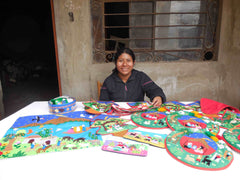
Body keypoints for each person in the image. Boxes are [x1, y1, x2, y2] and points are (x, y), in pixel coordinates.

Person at [99, 48, 166, 106]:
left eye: (128, 61)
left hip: (137, 115)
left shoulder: (141, 77)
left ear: (133, 62)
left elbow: (154, 89)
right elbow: (103, 103)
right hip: (116, 117)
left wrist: (158, 96)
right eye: (120, 61)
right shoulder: (109, 81)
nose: (125, 64)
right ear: (116, 63)